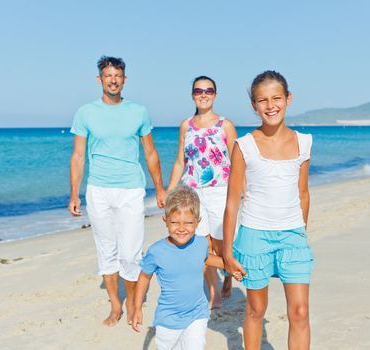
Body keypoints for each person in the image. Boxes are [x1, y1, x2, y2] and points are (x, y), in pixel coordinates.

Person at [68, 56, 166, 326]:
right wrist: (74, 193)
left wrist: (159, 188)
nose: (113, 80)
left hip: (131, 189)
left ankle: (135, 304)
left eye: (118, 76)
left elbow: (150, 152)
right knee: (106, 250)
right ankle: (115, 306)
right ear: (100, 79)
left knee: (131, 253)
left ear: (124, 79)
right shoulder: (86, 112)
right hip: (98, 190)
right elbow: (78, 156)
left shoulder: (139, 112)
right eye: (108, 76)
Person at [223, 71, 314, 349]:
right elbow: (232, 202)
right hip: (254, 236)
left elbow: (303, 193)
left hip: (292, 237)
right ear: (254, 105)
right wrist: (227, 252)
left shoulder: (304, 142)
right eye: (262, 100)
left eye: (276, 98)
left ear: (288, 99)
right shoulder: (244, 146)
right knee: (255, 310)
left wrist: (300, 233)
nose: (270, 105)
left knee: (299, 312)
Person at [131, 186, 236, 350]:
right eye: (174, 222)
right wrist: (137, 307)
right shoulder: (156, 251)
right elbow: (144, 278)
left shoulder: (201, 243)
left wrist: (235, 266)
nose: (181, 228)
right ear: (165, 220)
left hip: (197, 314)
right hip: (168, 319)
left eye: (188, 223)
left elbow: (211, 260)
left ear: (197, 222)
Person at [167, 76, 237, 308]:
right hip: (192, 193)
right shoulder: (186, 125)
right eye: (199, 90)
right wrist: (169, 192)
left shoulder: (225, 125)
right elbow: (180, 161)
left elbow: (237, 161)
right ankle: (213, 291)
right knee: (202, 244)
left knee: (219, 244)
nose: (204, 94)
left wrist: (242, 191)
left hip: (220, 190)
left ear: (215, 95)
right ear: (193, 95)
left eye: (208, 90)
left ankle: (227, 274)